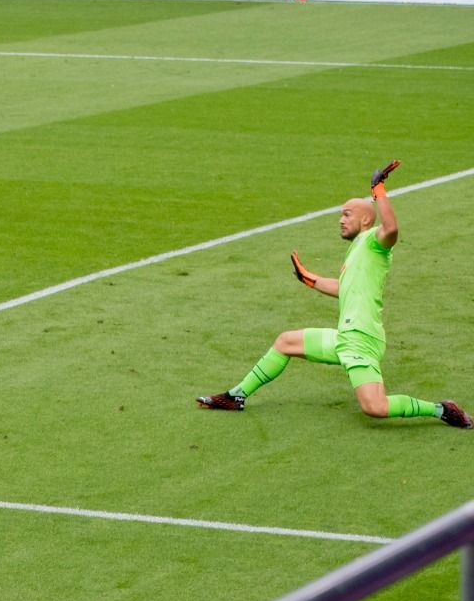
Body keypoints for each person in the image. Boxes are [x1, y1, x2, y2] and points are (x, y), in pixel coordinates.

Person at [196, 161, 470, 429]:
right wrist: (308, 279)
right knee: (285, 341)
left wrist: (378, 191)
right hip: (345, 338)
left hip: (361, 340)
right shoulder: (358, 251)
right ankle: (237, 396)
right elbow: (343, 288)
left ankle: (441, 409)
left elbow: (392, 229)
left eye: (347, 214)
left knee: (375, 407)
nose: (341, 219)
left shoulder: (375, 242)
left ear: (365, 219)